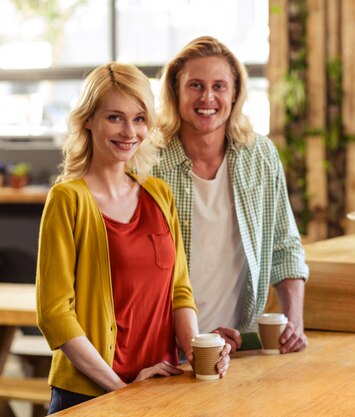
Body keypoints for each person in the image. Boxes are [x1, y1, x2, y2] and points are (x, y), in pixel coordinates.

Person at [36, 62, 230, 414]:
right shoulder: (67, 199)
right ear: (88, 120)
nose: (129, 131)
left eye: (139, 118)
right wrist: (122, 388)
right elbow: (54, 314)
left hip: (159, 387)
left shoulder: (159, 194)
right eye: (115, 117)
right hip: (89, 396)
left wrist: (200, 351)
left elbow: (179, 291)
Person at [152, 36, 309, 354]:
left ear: (235, 93)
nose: (207, 97)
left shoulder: (260, 155)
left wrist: (294, 323)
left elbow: (285, 245)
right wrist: (193, 339)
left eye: (219, 86)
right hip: (165, 348)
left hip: (242, 347)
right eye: (195, 85)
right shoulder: (149, 161)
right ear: (176, 92)